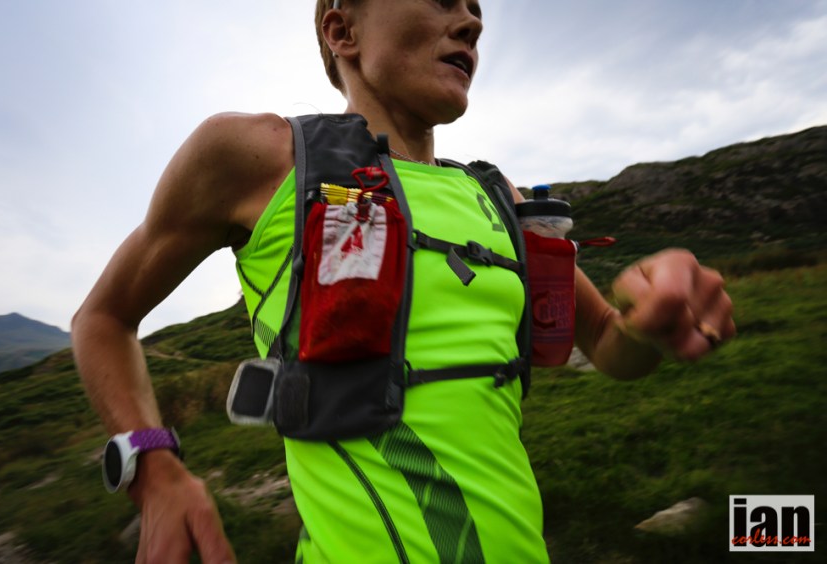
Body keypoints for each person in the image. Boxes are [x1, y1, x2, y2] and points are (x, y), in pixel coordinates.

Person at [71, 0, 736, 562]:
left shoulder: (499, 197)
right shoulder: (258, 156)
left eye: (475, 9)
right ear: (342, 32)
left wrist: (651, 320)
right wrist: (152, 467)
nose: (472, 22)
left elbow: (610, 347)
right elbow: (103, 319)